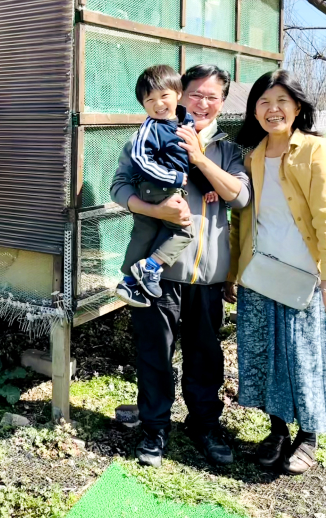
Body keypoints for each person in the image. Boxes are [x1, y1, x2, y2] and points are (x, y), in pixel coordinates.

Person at [111, 64, 251, 468]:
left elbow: (239, 197)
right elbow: (119, 187)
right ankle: (154, 430)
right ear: (178, 93)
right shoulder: (145, 138)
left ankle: (204, 426)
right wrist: (154, 208)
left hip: (208, 276)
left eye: (213, 97)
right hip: (156, 276)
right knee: (155, 354)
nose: (203, 103)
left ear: (222, 103)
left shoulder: (228, 150)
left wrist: (199, 158)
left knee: (206, 356)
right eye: (196, 94)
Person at [225, 70, 326, 475]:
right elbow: (242, 217)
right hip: (261, 274)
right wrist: (233, 272)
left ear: (297, 107)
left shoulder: (316, 150)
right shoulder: (252, 154)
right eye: (263, 101)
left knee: (305, 358)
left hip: (306, 276)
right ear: (254, 110)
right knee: (265, 354)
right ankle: (277, 430)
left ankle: (308, 438)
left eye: (281, 101)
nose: (272, 109)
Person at [115, 65, 217, 308]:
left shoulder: (184, 125)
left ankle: (128, 281)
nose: (158, 104)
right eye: (150, 100)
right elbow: (140, 160)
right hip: (155, 188)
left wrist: (204, 186)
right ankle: (149, 266)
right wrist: (172, 179)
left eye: (164, 96)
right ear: (143, 105)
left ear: (178, 94)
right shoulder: (151, 127)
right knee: (184, 231)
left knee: (144, 233)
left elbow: (188, 161)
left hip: (163, 187)